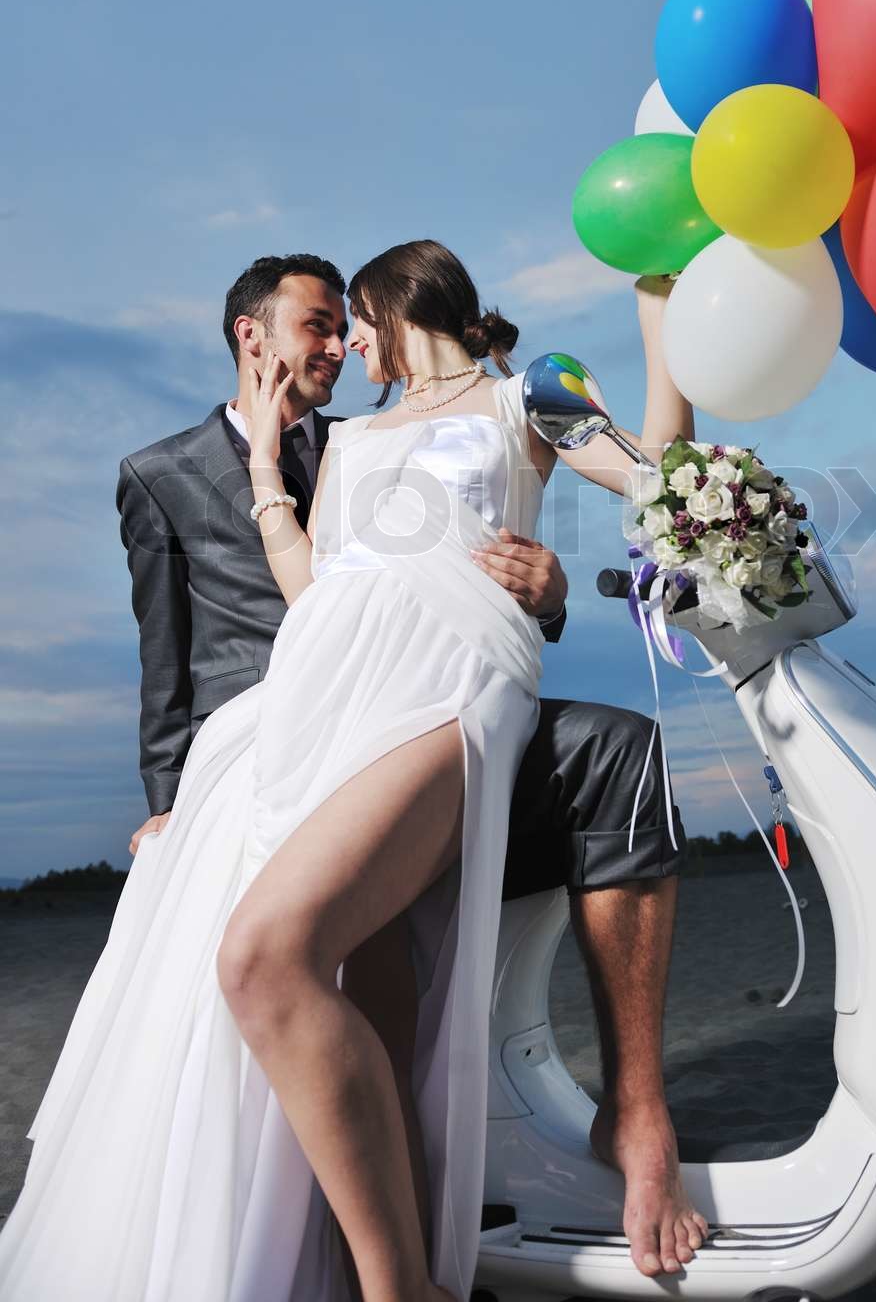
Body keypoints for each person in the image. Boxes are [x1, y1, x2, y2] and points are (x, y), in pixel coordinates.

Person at [0, 242, 706, 1302]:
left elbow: (656, 479)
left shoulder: (531, 393)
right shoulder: (351, 440)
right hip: (326, 687)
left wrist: (664, 322)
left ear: (388, 302)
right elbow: (315, 584)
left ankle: (399, 1291)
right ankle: (390, 1258)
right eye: (327, 327)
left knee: (264, 955)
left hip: (449, 679)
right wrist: (259, 472)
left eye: (351, 323)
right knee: (358, 985)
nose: (343, 344)